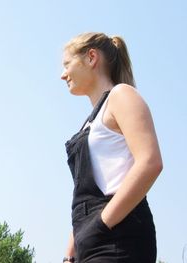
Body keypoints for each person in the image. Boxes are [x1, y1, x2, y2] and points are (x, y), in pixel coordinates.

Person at [60, 32, 163, 263]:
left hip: (119, 236)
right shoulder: (89, 122)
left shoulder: (122, 95)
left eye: (67, 64)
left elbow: (150, 162)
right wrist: (70, 252)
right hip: (89, 241)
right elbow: (84, 194)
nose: (62, 74)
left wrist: (101, 224)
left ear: (91, 57)